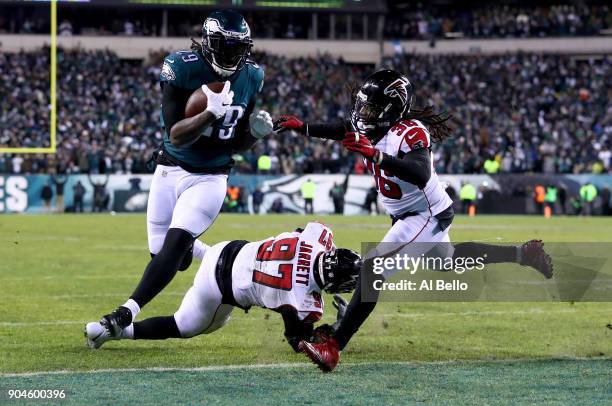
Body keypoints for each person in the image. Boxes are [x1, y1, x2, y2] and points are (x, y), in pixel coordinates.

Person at [275, 69, 553, 371]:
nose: (363, 113)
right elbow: (343, 128)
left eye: (371, 108)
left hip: (425, 213)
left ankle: (334, 346)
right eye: (363, 106)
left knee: (373, 269)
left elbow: (420, 172)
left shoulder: (410, 132)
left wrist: (375, 155)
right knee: (449, 260)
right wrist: (302, 127)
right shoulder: (371, 126)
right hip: (409, 214)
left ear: (392, 109)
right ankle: (523, 254)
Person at [90, 10, 274, 340]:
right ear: (208, 42)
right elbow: (176, 134)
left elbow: (238, 143)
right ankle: (203, 252)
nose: (233, 55)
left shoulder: (253, 76)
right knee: (169, 258)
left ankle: (125, 312)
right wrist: (208, 114)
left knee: (174, 248)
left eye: (238, 48)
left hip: (211, 175)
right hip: (170, 167)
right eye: (225, 46)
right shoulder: (182, 66)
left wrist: (256, 132)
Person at [85, 222, 361, 352]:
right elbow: (297, 341)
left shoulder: (318, 236)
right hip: (218, 287)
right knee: (184, 326)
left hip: (228, 248)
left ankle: (182, 242)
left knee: (220, 256)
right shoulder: (304, 303)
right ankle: (115, 333)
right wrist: (338, 327)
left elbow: (303, 233)